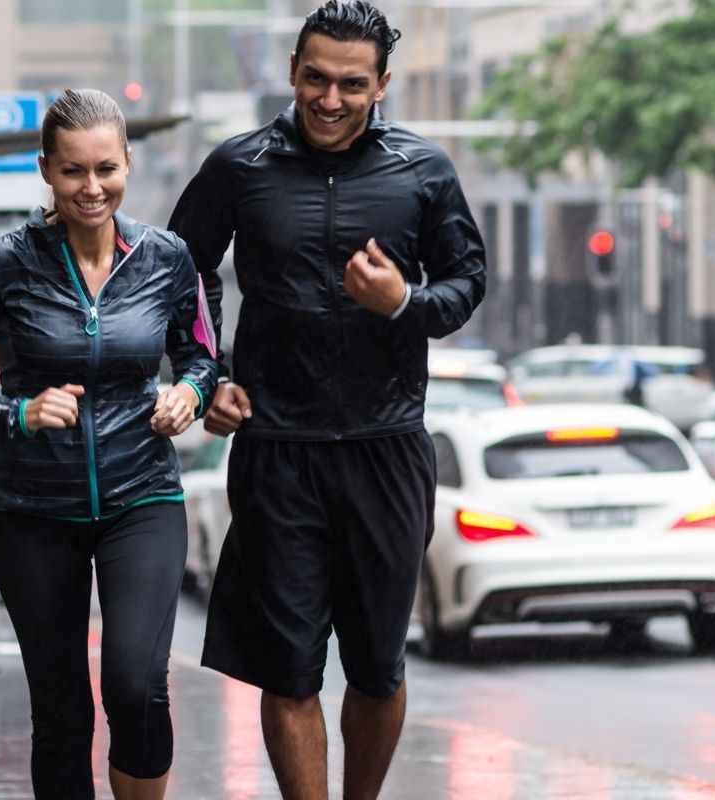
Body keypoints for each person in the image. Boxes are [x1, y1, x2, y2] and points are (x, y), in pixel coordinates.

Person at [168, 2, 487, 798]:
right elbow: (181, 274)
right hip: (279, 450)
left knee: (377, 668)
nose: (331, 99)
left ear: (381, 85)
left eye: (352, 83)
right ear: (292, 73)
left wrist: (403, 304)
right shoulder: (240, 167)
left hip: (387, 449)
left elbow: (468, 284)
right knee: (291, 666)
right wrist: (210, 373)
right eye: (316, 78)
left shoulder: (424, 170)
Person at [0, 88, 218, 800]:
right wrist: (16, 415)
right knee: (60, 710)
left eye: (106, 169)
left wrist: (190, 394)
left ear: (128, 165)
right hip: (32, 509)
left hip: (142, 494)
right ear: (46, 169)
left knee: (137, 684)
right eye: (74, 170)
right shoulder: (2, 265)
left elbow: (202, 354)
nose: (92, 188)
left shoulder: (168, 259)